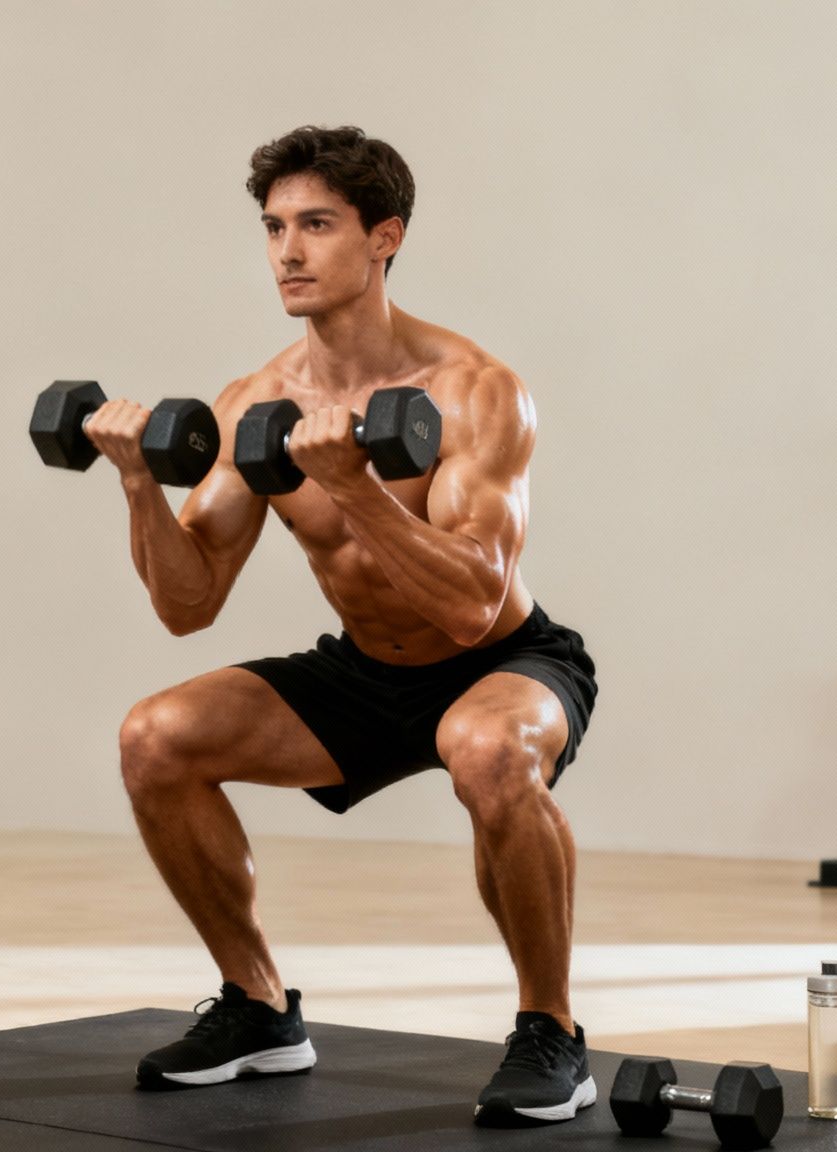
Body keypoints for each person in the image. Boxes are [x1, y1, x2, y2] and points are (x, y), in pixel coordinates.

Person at [84, 125, 599, 1126]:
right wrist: (139, 484)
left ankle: (551, 1032)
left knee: (485, 750)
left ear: (382, 237)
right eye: (273, 226)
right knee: (155, 738)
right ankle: (258, 1009)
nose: (286, 250)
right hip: (362, 672)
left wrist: (354, 493)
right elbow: (186, 607)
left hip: (502, 660)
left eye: (316, 224)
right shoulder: (254, 404)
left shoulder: (472, 392)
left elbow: (472, 603)